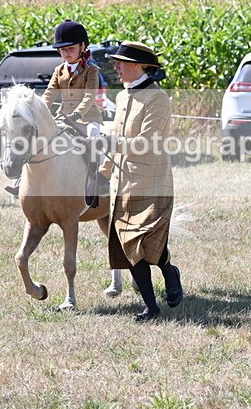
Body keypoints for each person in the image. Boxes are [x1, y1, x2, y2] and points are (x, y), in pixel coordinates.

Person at [96, 41, 182, 322]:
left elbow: (146, 143)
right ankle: (151, 307)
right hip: (122, 183)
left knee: (149, 245)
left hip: (151, 182)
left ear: (138, 66)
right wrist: (105, 168)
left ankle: (169, 271)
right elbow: (118, 138)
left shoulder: (158, 99)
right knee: (130, 245)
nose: (116, 67)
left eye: (120, 63)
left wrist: (110, 141)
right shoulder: (121, 97)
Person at [4, 20, 103, 197]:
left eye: (71, 49)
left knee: (94, 138)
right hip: (63, 117)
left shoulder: (91, 70)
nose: (66, 53)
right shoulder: (59, 70)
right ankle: (19, 182)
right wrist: (36, 111)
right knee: (36, 140)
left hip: (88, 118)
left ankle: (97, 181)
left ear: (82, 46)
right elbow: (49, 93)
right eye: (63, 50)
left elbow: (89, 96)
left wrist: (77, 114)